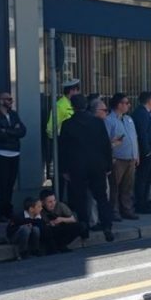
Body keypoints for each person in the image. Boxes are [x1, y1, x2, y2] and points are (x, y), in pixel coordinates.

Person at [58, 94, 114, 242]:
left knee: (80, 198)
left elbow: (62, 149)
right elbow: (106, 145)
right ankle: (107, 226)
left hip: (77, 167)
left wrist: (63, 169)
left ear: (73, 106)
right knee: (101, 197)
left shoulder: (68, 124)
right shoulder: (97, 122)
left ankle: (84, 229)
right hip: (97, 165)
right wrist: (108, 165)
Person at [105, 93, 139, 221]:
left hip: (130, 158)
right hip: (117, 159)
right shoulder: (109, 120)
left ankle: (127, 210)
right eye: (126, 103)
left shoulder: (128, 119)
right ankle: (114, 212)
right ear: (119, 104)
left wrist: (136, 155)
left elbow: (134, 138)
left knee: (128, 186)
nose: (128, 105)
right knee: (114, 187)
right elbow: (106, 141)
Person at [0, 92, 27, 220]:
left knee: (10, 184)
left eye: (11, 99)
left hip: (15, 152)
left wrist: (7, 130)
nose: (11, 101)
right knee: (2, 184)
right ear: (0, 100)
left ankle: (7, 209)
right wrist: (13, 130)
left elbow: (23, 131)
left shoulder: (13, 114)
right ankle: (0, 211)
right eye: (8, 99)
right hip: (1, 153)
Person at [131, 92, 151, 214]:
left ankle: (146, 202)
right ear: (149, 101)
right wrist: (146, 151)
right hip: (145, 152)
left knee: (148, 178)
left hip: (150, 150)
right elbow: (142, 134)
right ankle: (141, 204)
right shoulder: (141, 113)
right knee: (142, 179)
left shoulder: (147, 113)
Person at [39, 189, 84, 253]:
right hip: (49, 232)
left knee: (81, 226)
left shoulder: (60, 205)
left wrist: (61, 219)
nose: (53, 203)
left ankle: (62, 245)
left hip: (61, 228)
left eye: (54, 200)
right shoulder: (39, 210)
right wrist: (49, 224)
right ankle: (52, 248)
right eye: (50, 202)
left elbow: (73, 219)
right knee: (46, 230)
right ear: (43, 203)